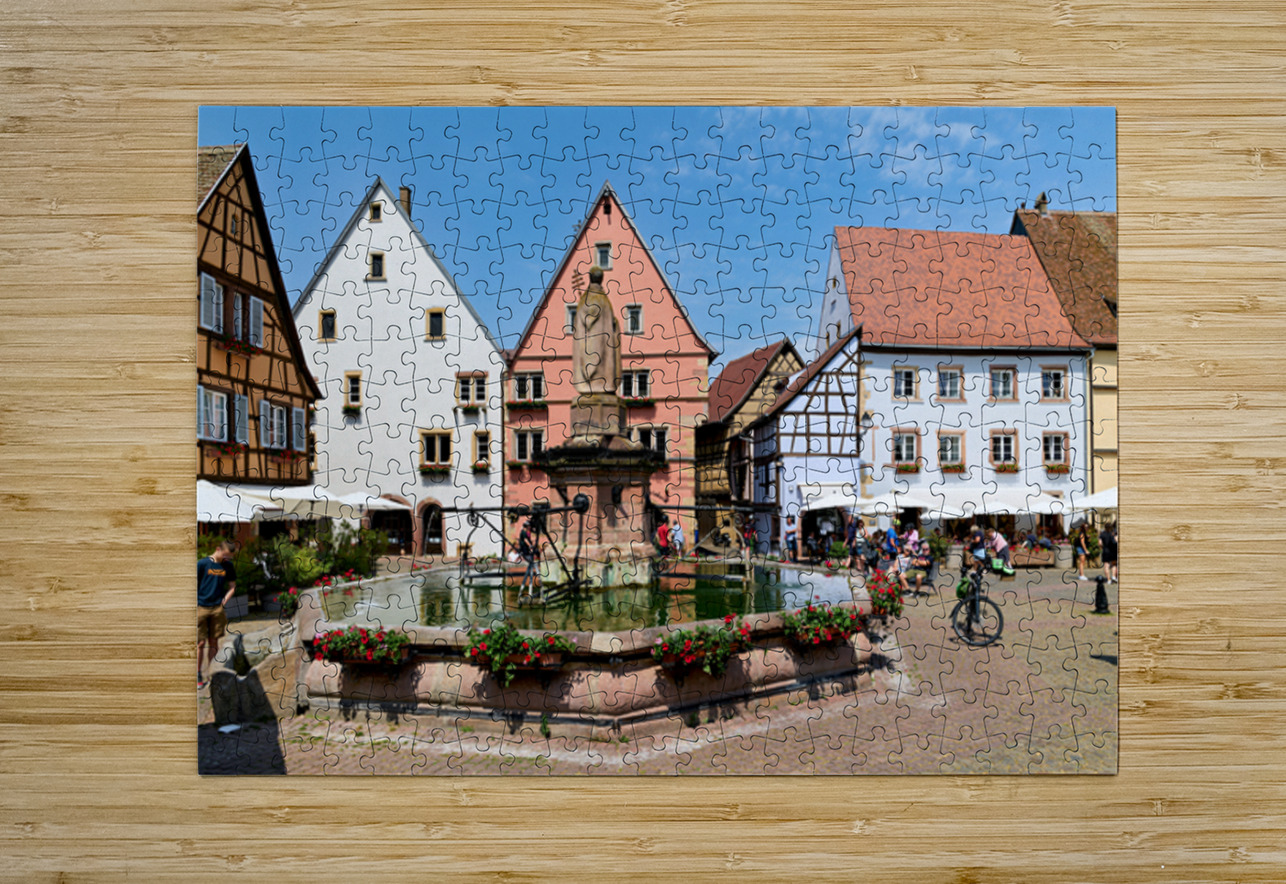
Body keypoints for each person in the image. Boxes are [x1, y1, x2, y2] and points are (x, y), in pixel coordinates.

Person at [197, 541, 238, 688]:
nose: (227, 558)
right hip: (201, 607)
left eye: (229, 556)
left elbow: (232, 586)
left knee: (214, 642)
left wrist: (224, 601)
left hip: (217, 608)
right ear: (218, 549)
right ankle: (198, 674)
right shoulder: (202, 564)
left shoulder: (228, 566)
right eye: (225, 555)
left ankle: (212, 674)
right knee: (200, 643)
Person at [517, 520, 541, 600]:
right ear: (527, 526)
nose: (530, 527)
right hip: (525, 550)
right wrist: (530, 546)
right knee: (535, 555)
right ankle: (529, 592)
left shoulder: (527, 532)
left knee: (531, 568)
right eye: (529, 526)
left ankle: (530, 592)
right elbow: (525, 540)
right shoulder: (523, 532)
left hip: (527, 550)